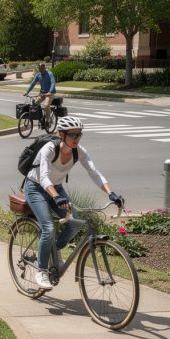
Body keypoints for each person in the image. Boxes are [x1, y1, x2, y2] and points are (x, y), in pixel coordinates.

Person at [24, 116, 124, 290]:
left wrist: (111, 193)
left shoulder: (79, 151)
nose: (77, 139)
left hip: (57, 189)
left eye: (79, 135)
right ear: (62, 135)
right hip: (36, 188)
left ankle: (52, 250)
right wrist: (56, 197)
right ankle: (41, 271)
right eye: (73, 135)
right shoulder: (49, 149)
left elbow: (94, 172)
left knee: (75, 223)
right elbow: (44, 177)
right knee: (48, 228)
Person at [24, 63, 56, 128]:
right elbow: (33, 83)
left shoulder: (49, 74)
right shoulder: (38, 75)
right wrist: (27, 92)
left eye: (42, 69)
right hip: (42, 93)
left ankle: (48, 119)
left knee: (46, 105)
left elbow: (53, 83)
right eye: (40, 69)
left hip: (50, 93)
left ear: (45, 68)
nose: (41, 70)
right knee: (35, 104)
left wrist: (50, 91)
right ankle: (40, 116)